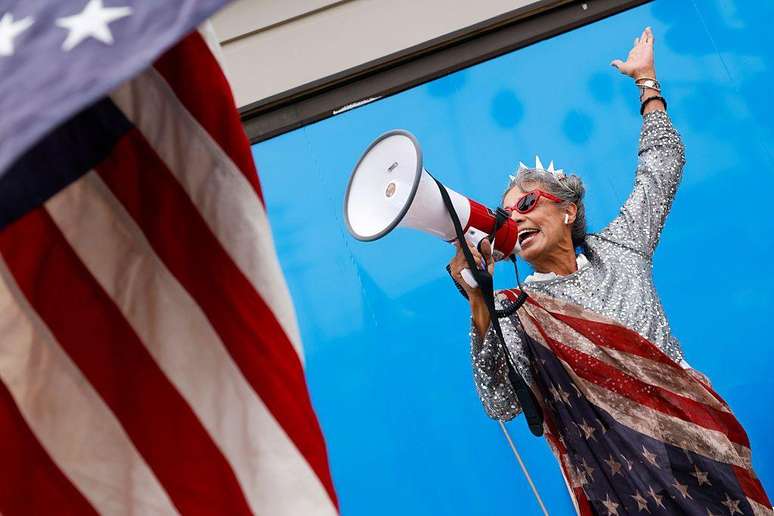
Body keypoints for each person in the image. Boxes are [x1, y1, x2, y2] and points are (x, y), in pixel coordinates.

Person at [448, 27, 771, 515]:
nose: (515, 218)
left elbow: (660, 168)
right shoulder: (518, 309)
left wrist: (648, 85)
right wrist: (478, 302)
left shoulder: (619, 246)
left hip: (698, 452)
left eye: (528, 204)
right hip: (619, 482)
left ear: (569, 211)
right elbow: (501, 401)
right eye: (507, 215)